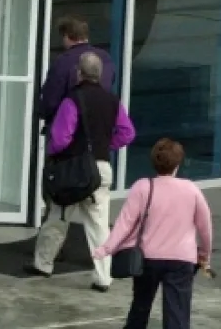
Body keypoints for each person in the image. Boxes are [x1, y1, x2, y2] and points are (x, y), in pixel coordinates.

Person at [25, 52, 135, 292]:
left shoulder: (72, 100)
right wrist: (105, 146)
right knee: (99, 225)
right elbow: (127, 133)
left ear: (78, 73)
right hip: (101, 169)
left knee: (58, 217)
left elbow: (60, 139)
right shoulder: (113, 101)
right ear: (100, 75)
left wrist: (54, 155)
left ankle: (43, 264)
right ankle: (103, 278)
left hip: (74, 169)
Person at [93, 138, 213, 329]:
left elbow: (124, 223)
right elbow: (205, 226)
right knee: (177, 314)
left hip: (147, 258)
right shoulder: (191, 189)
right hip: (182, 259)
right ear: (178, 164)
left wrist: (106, 249)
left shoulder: (142, 187)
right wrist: (205, 254)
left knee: (140, 307)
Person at [37, 15, 115, 128]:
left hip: (68, 124)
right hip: (100, 123)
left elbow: (51, 100)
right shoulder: (106, 58)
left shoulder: (63, 61)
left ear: (67, 36)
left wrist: (42, 112)